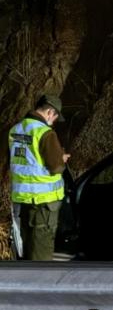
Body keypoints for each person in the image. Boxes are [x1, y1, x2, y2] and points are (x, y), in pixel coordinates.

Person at [8, 94, 70, 260]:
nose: (54, 121)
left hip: (23, 201)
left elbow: (22, 161)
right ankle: (40, 284)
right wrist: (62, 159)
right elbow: (56, 167)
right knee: (41, 254)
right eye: (55, 117)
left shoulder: (16, 130)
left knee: (28, 249)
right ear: (50, 112)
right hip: (44, 204)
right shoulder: (45, 133)